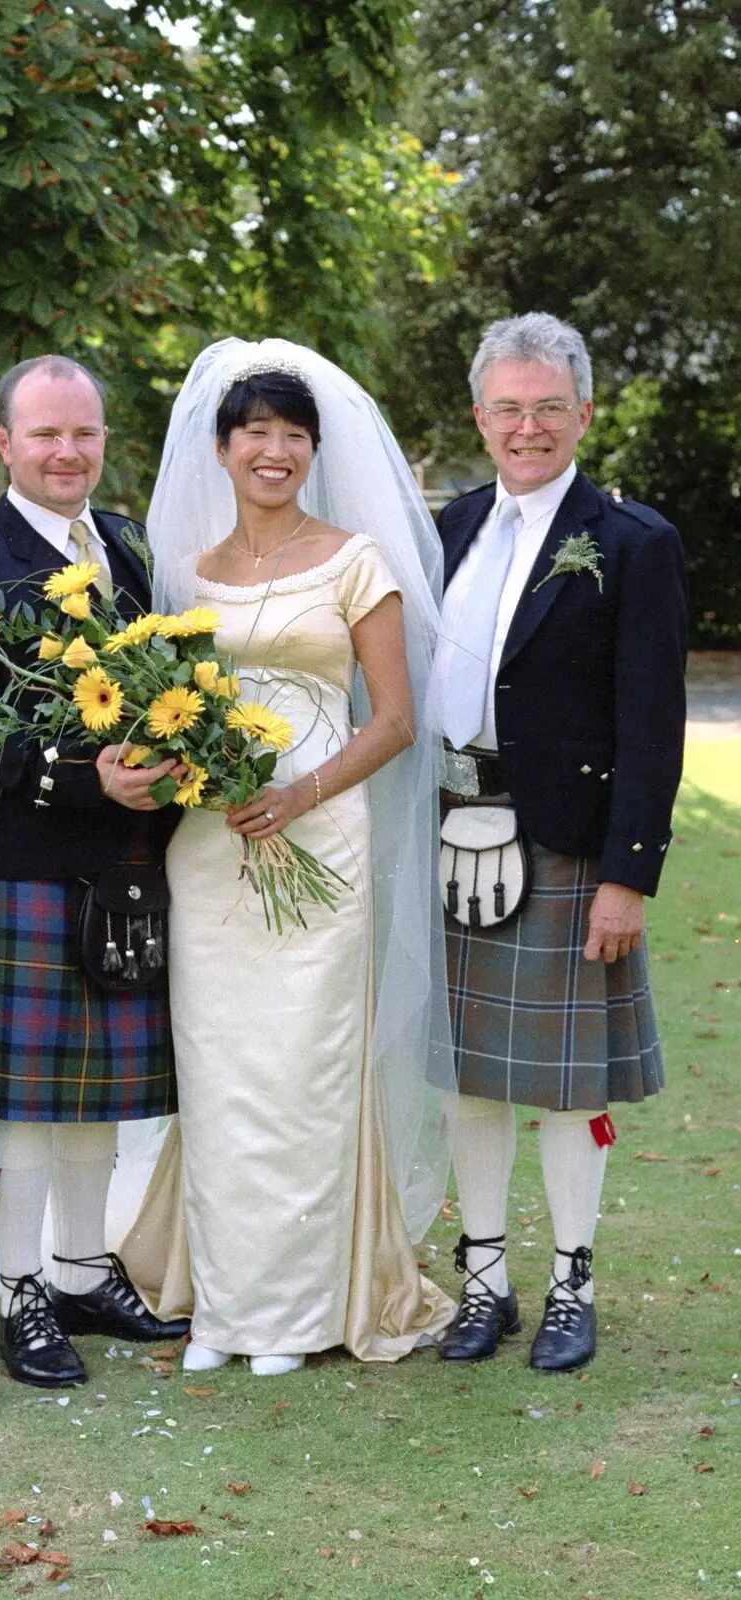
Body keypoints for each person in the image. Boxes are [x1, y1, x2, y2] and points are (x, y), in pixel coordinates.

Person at [119, 338, 457, 1373]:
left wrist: (299, 790)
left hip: (321, 832)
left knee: (303, 1068)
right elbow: (165, 709)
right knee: (222, 1072)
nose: (273, 451)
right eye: (255, 432)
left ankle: (300, 1311)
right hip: (210, 845)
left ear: (313, 449)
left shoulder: (358, 560)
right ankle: (223, 1306)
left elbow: (395, 719)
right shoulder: (185, 573)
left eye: (291, 434)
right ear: (221, 449)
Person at [0, 355, 190, 1389]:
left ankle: (79, 1272)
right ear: (3, 443)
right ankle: (20, 1289)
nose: (67, 451)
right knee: (23, 1096)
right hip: (20, 863)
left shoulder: (131, 548)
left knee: (99, 1091)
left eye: (85, 433)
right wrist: (85, 777)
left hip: (127, 864)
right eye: (45, 434)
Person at [432, 312, 687, 1372]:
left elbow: (651, 721)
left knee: (566, 1085)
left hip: (566, 845)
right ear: (479, 416)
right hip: (447, 832)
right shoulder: (443, 526)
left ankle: (570, 1279)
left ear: (581, 412)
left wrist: (626, 876)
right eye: (506, 408)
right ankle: (482, 1280)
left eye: (545, 408)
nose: (525, 427)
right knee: (466, 1077)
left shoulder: (633, 542)